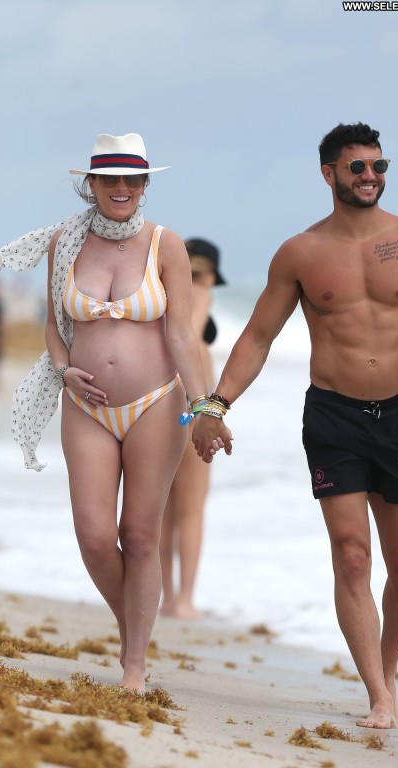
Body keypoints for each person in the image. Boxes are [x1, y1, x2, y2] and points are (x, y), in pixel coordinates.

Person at [192, 122, 398, 729]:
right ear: (328, 173)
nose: (370, 176)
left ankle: (387, 667)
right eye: (357, 167)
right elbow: (258, 336)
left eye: (379, 166)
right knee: (352, 556)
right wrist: (215, 405)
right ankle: (379, 696)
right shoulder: (301, 253)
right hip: (333, 416)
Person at [0, 133, 209, 692]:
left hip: (155, 404)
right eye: (109, 178)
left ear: (143, 184)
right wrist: (63, 368)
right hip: (84, 406)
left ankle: (134, 664)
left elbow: (182, 335)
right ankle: (133, 626)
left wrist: (206, 405)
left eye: (131, 179)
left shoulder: (166, 245)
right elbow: (54, 324)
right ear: (90, 184)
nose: (120, 188)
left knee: (138, 535)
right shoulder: (64, 242)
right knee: (94, 538)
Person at [159, 238, 226, 618]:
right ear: (211, 274)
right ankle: (183, 600)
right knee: (190, 511)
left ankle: (168, 598)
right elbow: (193, 342)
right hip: (189, 412)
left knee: (165, 511)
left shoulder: (164, 298)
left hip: (163, 410)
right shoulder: (199, 296)